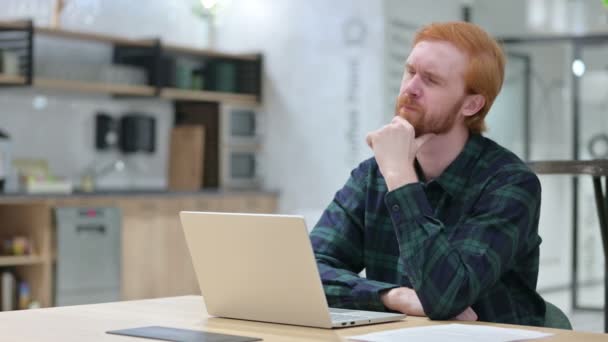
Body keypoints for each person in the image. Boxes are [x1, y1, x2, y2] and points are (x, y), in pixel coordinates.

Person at [310, 21, 546, 326]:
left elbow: (446, 296)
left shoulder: (509, 183)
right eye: (410, 72)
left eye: (431, 80)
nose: (410, 89)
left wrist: (399, 176)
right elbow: (307, 270)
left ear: (471, 104)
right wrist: (395, 296)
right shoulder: (371, 175)